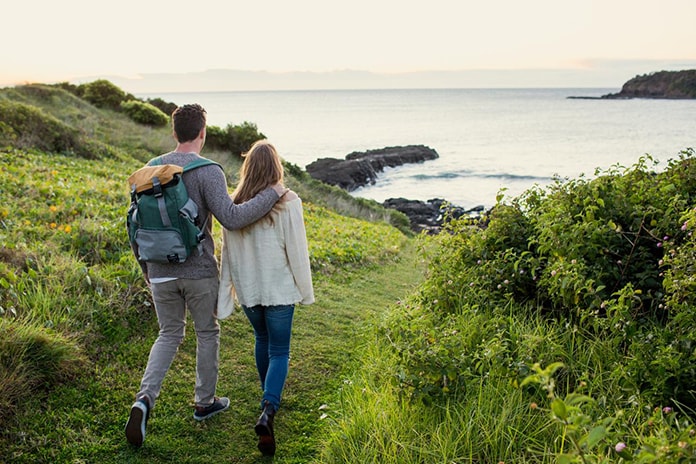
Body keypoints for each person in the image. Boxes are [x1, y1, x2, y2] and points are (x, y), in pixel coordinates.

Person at [125, 104, 287, 447]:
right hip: (198, 270)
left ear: (174, 133)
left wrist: (147, 271)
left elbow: (135, 225)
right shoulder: (209, 170)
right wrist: (272, 193)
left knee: (168, 334)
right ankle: (204, 402)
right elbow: (232, 217)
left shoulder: (149, 170)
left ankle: (144, 399)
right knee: (207, 332)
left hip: (158, 269)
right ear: (203, 133)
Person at [218, 140, 314, 456]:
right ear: (276, 168)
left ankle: (267, 398)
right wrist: (306, 290)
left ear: (247, 169)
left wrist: (229, 290)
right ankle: (269, 408)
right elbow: (297, 252)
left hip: (250, 290)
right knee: (280, 350)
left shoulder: (232, 206)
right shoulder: (288, 201)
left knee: (262, 340)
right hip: (279, 289)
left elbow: (227, 255)